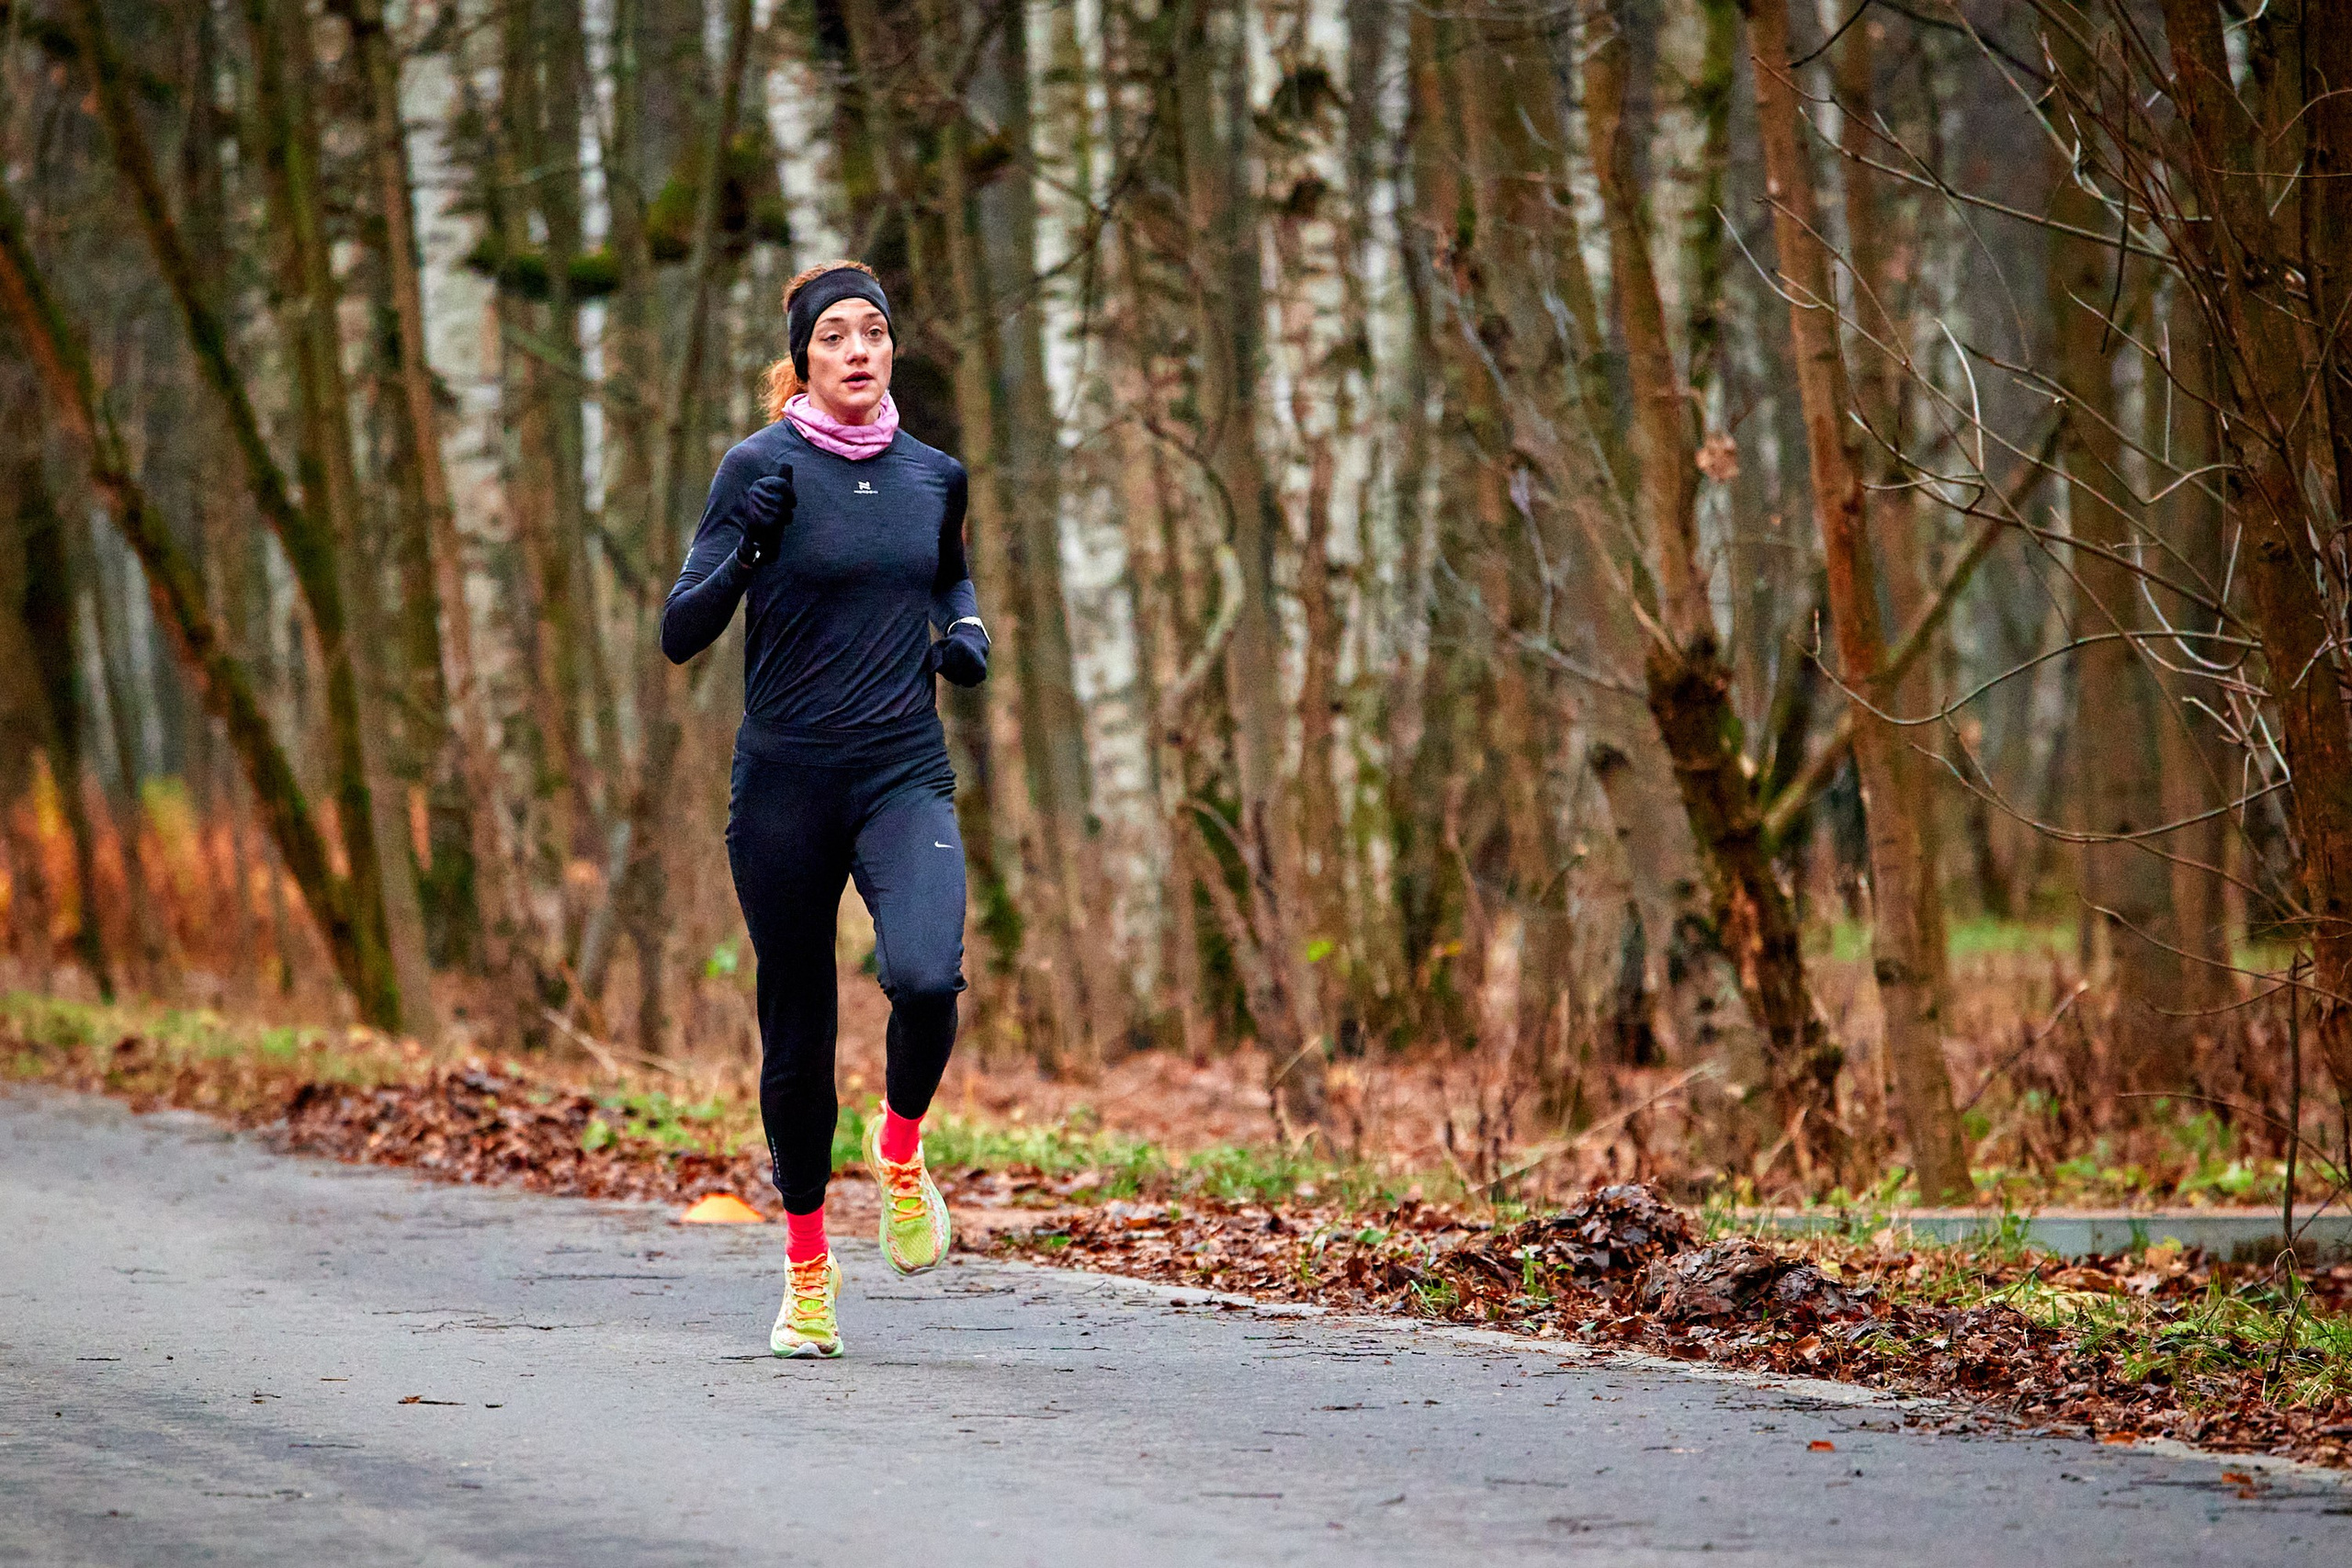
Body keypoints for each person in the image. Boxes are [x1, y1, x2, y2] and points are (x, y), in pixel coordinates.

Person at [662, 260, 989, 1359]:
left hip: (900, 772)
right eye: (835, 335)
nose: (858, 350)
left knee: (927, 976)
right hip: (785, 788)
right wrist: (747, 547)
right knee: (798, 1038)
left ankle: (899, 1150)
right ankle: (807, 1272)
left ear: (893, 349)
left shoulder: (935, 476)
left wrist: (966, 630)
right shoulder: (757, 468)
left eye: (874, 333)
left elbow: (946, 577)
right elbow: (680, 631)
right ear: (802, 358)